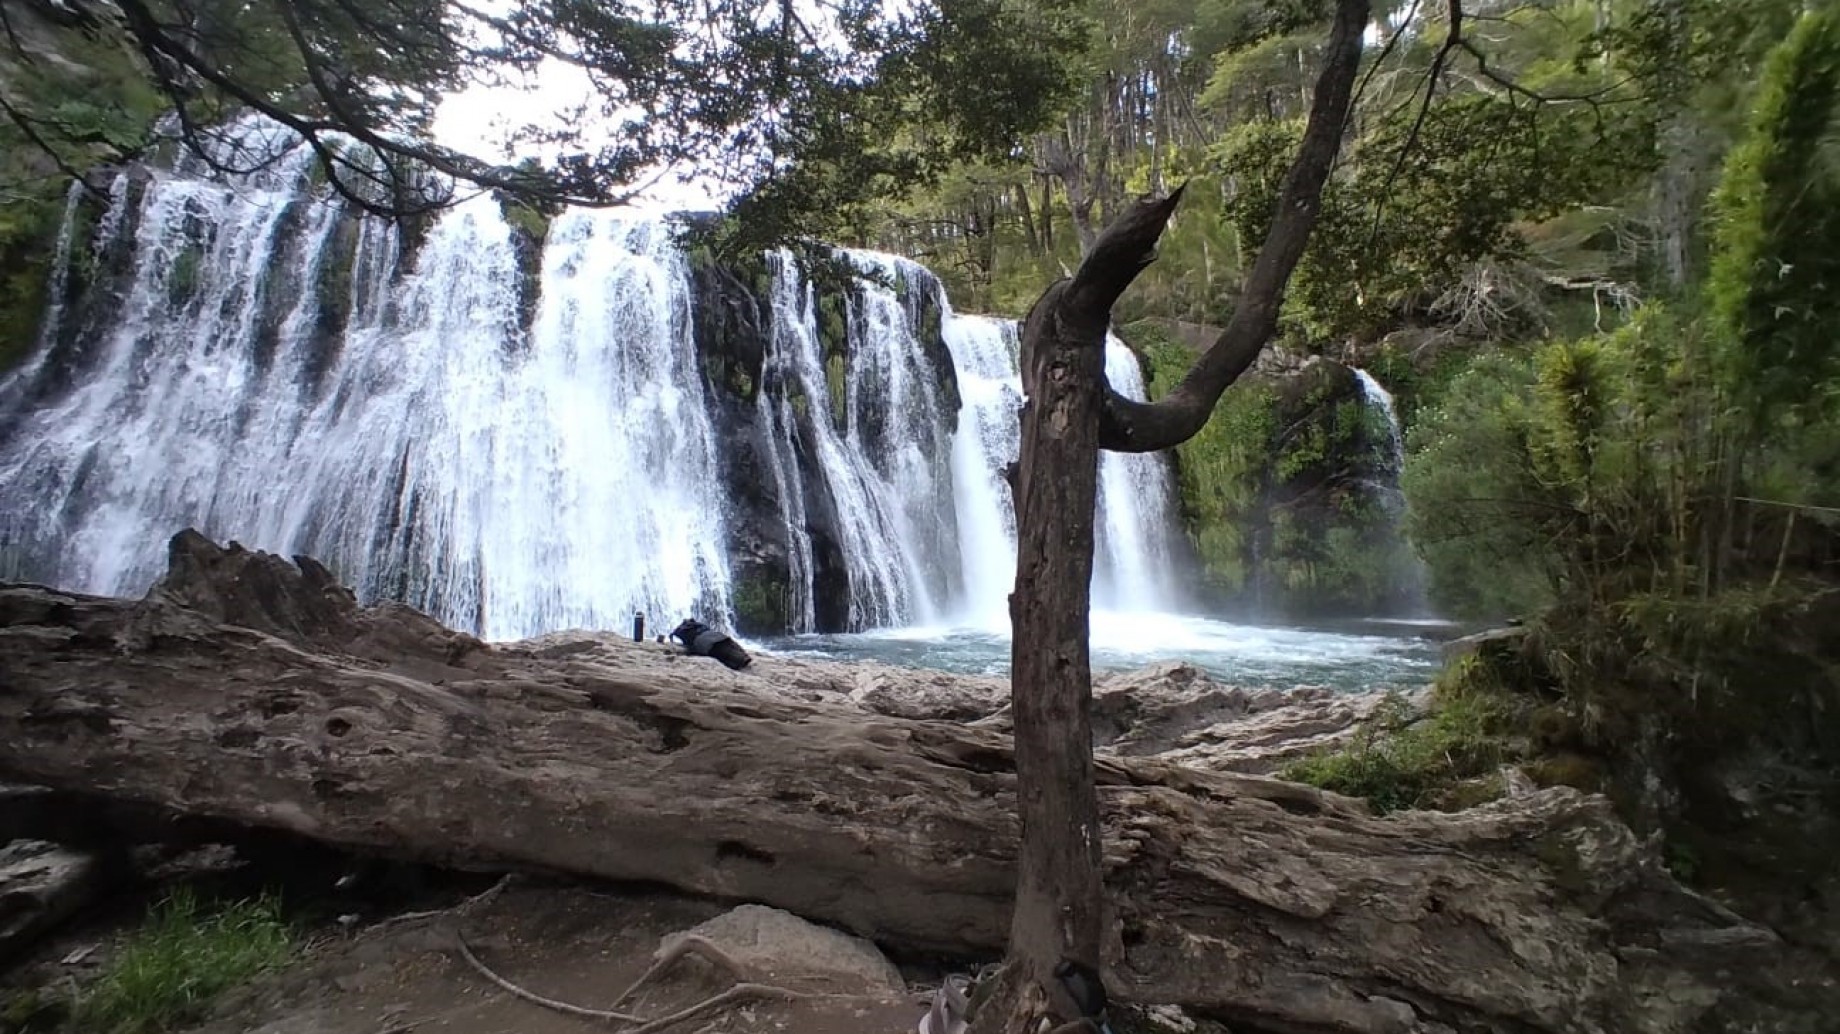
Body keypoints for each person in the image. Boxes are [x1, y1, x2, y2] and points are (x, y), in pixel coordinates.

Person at [669, 618, 752, 670]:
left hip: (706, 643)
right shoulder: (699, 626)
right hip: (715, 636)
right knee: (728, 647)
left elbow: (692, 648)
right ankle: (743, 658)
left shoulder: (688, 633)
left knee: (722, 653)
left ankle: (739, 661)